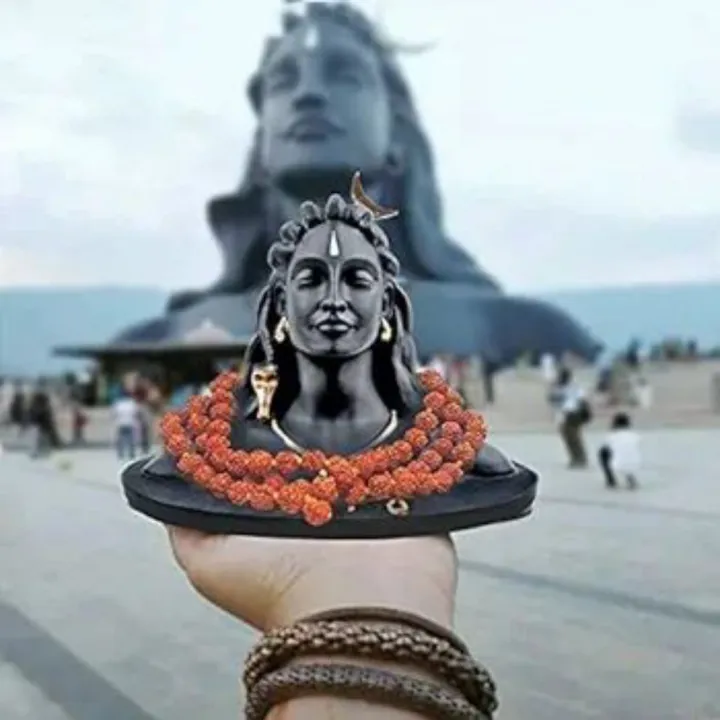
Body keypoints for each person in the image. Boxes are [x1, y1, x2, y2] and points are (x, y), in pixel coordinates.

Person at [551, 367, 591, 468]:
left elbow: (582, 400)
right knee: (569, 437)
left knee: (574, 437)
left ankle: (580, 458)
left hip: (573, 413)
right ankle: (575, 457)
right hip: (565, 414)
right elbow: (553, 399)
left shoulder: (574, 386)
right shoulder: (560, 387)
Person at [598, 412, 641, 490]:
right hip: (636, 464)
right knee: (626, 452)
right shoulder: (634, 435)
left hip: (618, 465)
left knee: (603, 452)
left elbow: (607, 446)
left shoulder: (611, 436)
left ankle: (610, 479)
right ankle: (630, 477)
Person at [112, 389, 140, 460]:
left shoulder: (118, 403)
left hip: (120, 422)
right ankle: (131, 453)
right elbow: (136, 413)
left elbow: (114, 413)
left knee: (120, 439)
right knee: (130, 438)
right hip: (130, 422)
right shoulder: (132, 403)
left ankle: (121, 453)